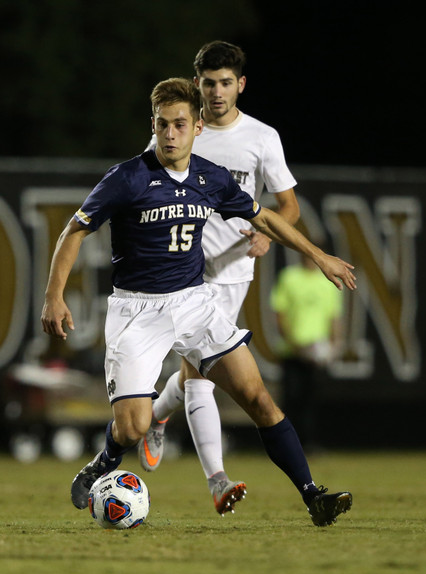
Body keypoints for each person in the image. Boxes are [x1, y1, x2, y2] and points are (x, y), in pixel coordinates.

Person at [41, 77, 355, 527]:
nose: (171, 134)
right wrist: (54, 296)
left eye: (180, 125)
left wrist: (318, 255)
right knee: (132, 426)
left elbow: (264, 216)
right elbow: (74, 231)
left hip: (194, 303)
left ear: (197, 127)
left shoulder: (211, 177)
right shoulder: (127, 177)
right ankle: (104, 460)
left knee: (258, 397)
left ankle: (313, 497)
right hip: (137, 311)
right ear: (153, 124)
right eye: (163, 124)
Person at [138, 40, 302, 516]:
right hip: (182, 275)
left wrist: (267, 233)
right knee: (201, 377)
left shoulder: (261, 137)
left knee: (199, 374)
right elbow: (142, 183)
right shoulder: (179, 130)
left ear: (241, 85)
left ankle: (156, 415)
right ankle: (217, 479)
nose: (217, 91)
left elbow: (288, 205)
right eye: (209, 83)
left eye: (226, 83)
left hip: (233, 276)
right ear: (197, 85)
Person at [271, 251, 343, 451]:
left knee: (311, 400)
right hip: (292, 351)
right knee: (290, 399)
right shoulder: (290, 277)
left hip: (317, 353)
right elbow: (280, 312)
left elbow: (333, 316)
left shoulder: (327, 281)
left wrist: (335, 344)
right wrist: (292, 343)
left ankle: (309, 444)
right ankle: (285, 444)